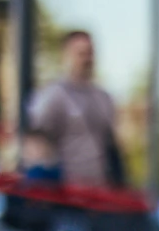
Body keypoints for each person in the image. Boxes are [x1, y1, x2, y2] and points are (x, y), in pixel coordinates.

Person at [25, 30, 123, 188]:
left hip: (98, 193)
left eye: (90, 53)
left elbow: (110, 146)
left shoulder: (103, 98)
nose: (86, 59)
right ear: (66, 55)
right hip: (65, 194)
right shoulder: (53, 95)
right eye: (80, 53)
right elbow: (35, 142)